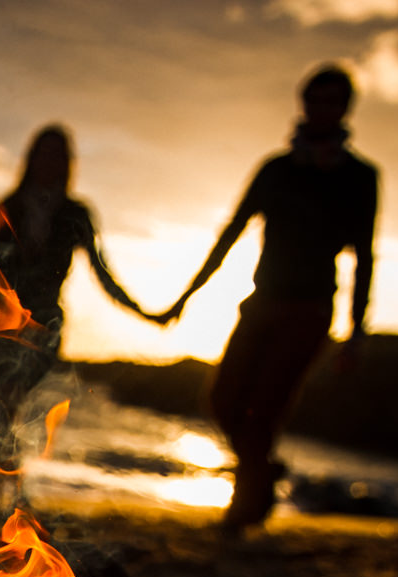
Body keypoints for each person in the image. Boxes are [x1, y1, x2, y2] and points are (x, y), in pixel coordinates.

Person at [157, 64, 378, 532]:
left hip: (311, 309)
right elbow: (231, 233)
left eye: (331, 102)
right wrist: (185, 297)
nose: (321, 109)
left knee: (264, 411)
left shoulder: (359, 177)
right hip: (262, 300)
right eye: (314, 100)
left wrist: (357, 332)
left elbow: (364, 254)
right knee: (221, 398)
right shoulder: (276, 170)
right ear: (304, 104)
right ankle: (262, 471)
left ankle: (242, 513)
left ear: (343, 110)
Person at [0, 124, 155, 466]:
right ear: (31, 158)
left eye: (57, 155)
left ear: (67, 163)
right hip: (3, 323)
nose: (49, 162)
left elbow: (102, 272)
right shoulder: (11, 206)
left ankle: (0, 478)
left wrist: (144, 313)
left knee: (8, 402)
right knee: (3, 404)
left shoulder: (76, 215)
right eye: (43, 153)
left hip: (44, 326)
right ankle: (2, 481)